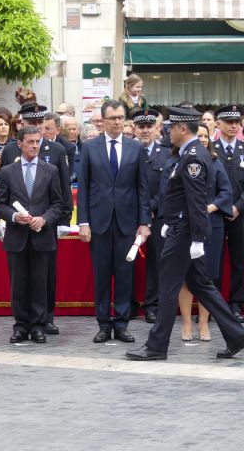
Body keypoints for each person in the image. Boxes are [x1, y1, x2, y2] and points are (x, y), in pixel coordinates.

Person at [127, 107, 244, 361]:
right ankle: (236, 335)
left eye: (170, 127)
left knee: (168, 287)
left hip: (185, 234)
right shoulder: (187, 154)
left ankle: (156, 346)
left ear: (182, 129)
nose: (167, 131)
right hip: (180, 228)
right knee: (201, 285)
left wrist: (198, 239)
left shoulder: (192, 158)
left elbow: (196, 202)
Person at [77, 99, 151, 344]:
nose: (118, 122)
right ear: (103, 120)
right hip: (98, 222)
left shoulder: (135, 148)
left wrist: (144, 222)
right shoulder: (89, 148)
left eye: (121, 117)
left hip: (127, 222)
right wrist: (83, 222)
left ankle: (121, 323)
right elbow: (84, 188)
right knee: (100, 275)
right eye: (113, 118)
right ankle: (103, 324)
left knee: (124, 275)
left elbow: (142, 188)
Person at [0, 127, 64, 343]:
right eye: (31, 142)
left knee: (40, 283)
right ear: (20, 144)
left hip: (42, 236)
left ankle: (38, 325)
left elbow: (58, 203)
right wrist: (14, 217)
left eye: (37, 142)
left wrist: (45, 219)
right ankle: (21, 326)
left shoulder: (50, 170)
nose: (35, 145)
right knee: (19, 283)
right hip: (17, 237)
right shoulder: (7, 172)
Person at [178, 123, 232, 341]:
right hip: (187, 226)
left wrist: (210, 207)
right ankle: (187, 324)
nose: (201, 139)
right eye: (198, 135)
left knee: (206, 277)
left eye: (205, 135)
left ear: (210, 138)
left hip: (212, 225)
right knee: (185, 277)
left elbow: (226, 191)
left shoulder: (216, 161)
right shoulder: (182, 160)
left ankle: (203, 324)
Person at [133, 108, 170, 323]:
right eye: (141, 127)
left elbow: (166, 187)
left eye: (149, 127)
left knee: (156, 262)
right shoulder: (128, 151)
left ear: (157, 128)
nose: (145, 131)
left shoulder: (166, 153)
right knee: (128, 261)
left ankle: (152, 305)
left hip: (158, 215)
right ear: (135, 129)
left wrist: (149, 208)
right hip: (130, 215)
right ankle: (128, 303)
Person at [212, 105, 244, 322]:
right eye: (229, 122)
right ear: (218, 124)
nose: (234, 126)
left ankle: (235, 303)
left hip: (240, 213)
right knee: (214, 260)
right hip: (215, 212)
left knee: (240, 261)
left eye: (237, 122)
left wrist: (238, 207)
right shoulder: (210, 150)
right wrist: (221, 206)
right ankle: (211, 305)